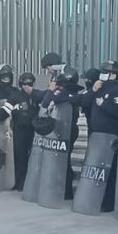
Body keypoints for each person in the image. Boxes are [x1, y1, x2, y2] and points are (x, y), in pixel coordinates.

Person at [87, 60, 118, 212]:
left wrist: (104, 104)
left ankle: (108, 202)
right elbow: (85, 101)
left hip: (110, 135)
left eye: (105, 72)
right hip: (97, 136)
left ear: (113, 75)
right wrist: (93, 90)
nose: (101, 74)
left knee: (110, 171)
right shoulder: (99, 88)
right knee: (96, 169)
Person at [42, 66, 83, 199]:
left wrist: (51, 89)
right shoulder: (75, 94)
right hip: (69, 129)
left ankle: (65, 190)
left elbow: (45, 102)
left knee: (61, 160)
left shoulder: (64, 93)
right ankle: (64, 190)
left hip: (65, 129)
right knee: (63, 160)